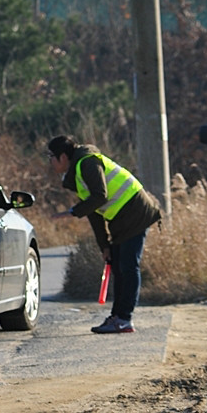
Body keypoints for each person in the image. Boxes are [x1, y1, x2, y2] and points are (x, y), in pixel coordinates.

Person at [46, 134, 162, 334]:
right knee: (117, 266)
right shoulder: (77, 173)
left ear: (63, 157)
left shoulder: (87, 162)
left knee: (128, 266)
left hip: (137, 212)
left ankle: (124, 319)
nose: (50, 161)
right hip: (121, 219)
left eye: (51, 156)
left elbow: (100, 196)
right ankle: (117, 317)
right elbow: (94, 213)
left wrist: (73, 212)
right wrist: (105, 246)